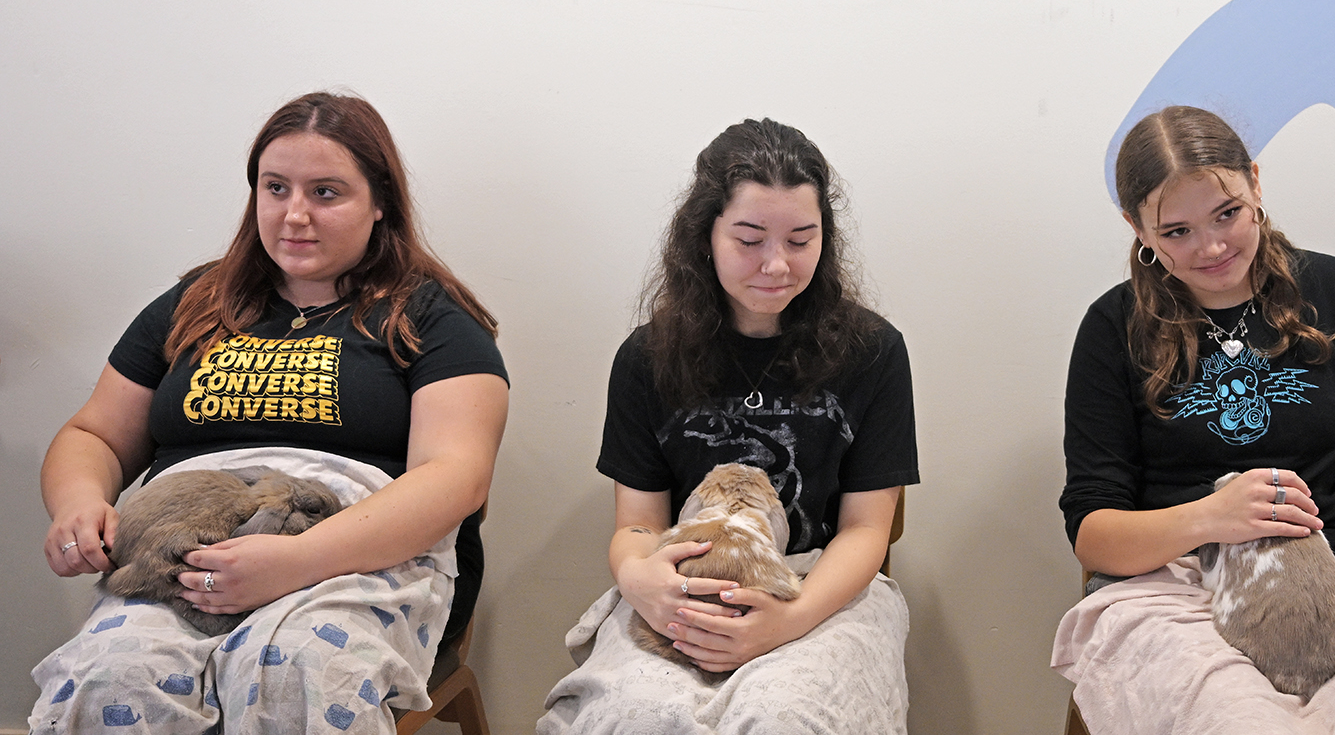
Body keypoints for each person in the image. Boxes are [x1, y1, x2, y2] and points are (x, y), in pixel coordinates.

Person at [30, 92, 509, 734]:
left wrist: (296, 559)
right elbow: (94, 434)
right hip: (184, 555)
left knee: (294, 669)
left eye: (327, 192)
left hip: (354, 560)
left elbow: (455, 478)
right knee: (114, 674)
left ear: (381, 203)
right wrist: (78, 502)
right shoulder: (195, 304)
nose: (295, 215)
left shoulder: (431, 321)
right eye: (275, 188)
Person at [1054, 105, 1335, 735]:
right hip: (1169, 594)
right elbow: (1093, 531)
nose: (1212, 246)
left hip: (1331, 575)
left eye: (1227, 213)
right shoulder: (1110, 328)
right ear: (1135, 227)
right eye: (1175, 232)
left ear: (1255, 183)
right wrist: (1211, 518)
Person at [538, 118, 919, 735]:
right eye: (749, 240)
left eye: (801, 240)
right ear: (705, 235)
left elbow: (866, 532)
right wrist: (642, 580)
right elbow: (638, 525)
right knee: (634, 717)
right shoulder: (648, 356)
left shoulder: (872, 351)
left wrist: (786, 621)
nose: (776, 265)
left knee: (781, 718)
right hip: (683, 590)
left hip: (818, 587)